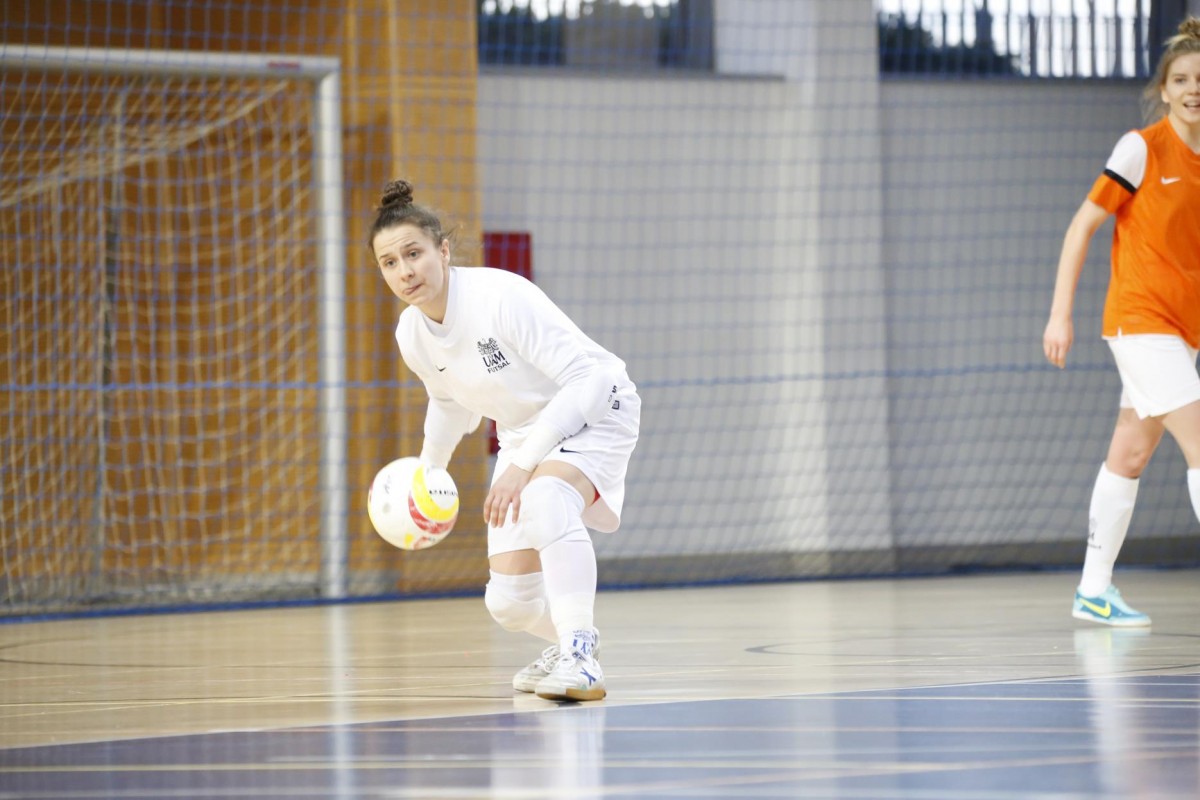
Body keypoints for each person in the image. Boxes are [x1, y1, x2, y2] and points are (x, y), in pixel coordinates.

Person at [369, 179, 640, 700]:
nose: (405, 271)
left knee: (546, 496)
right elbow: (449, 402)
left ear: (443, 251)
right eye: (390, 262)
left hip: (596, 407)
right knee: (510, 604)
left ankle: (581, 657)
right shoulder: (412, 333)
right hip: (526, 431)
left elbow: (584, 380)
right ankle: (568, 642)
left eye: (414, 253)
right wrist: (428, 470)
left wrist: (521, 466)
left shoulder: (501, 297)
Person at [1043, 17, 1200, 627]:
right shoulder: (1141, 148)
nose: (1193, 89)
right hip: (1139, 322)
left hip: (1181, 332)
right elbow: (1081, 226)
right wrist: (1061, 315)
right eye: (1181, 79)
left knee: (1130, 454)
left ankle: (1092, 591)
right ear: (1164, 90)